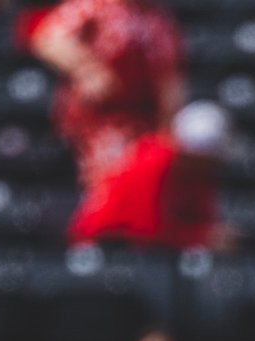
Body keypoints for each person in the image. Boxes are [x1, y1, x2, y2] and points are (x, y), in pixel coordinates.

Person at [30, 0, 185, 188]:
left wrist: (168, 132)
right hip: (99, 119)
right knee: (112, 184)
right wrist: (87, 69)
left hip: (144, 123)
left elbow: (170, 81)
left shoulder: (160, 20)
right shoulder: (96, 5)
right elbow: (50, 38)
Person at [68, 101, 234, 252]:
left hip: (147, 249)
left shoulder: (199, 171)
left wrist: (209, 233)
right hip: (105, 244)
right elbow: (143, 227)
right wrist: (200, 237)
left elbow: (201, 215)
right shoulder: (154, 161)